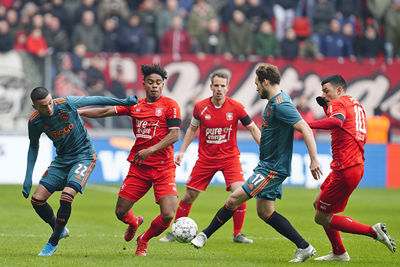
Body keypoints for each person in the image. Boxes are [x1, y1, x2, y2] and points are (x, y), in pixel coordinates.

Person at [190, 63, 323, 263]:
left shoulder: (281, 105)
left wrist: (314, 158)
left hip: (273, 168)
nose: (256, 88)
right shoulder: (274, 101)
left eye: (257, 84)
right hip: (267, 165)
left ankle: (204, 235)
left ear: (266, 81)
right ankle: (304, 247)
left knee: (234, 199)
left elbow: (304, 127)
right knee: (265, 212)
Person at [78, 64, 181, 257]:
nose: (155, 86)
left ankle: (144, 240)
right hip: (139, 167)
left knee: (168, 214)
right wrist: (80, 113)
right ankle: (134, 222)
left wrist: (150, 150)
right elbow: (104, 112)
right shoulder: (135, 105)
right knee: (120, 212)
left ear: (163, 85)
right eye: (151, 82)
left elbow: (175, 135)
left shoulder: (170, 105)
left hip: (163, 167)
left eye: (159, 83)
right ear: (143, 84)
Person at [23, 86, 138, 256]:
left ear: (52, 98)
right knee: (37, 200)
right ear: (35, 107)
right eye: (43, 106)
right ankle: (59, 230)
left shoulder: (66, 103)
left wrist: (124, 103)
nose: (49, 108)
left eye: (49, 103)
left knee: (66, 196)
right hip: (61, 161)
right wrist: (27, 176)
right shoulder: (34, 122)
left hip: (84, 156)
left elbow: (96, 99)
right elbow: (33, 145)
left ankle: (52, 242)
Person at [159, 71, 261, 243]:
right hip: (206, 159)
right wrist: (182, 150)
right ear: (211, 87)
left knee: (240, 192)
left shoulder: (236, 107)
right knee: (189, 196)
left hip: (230, 159)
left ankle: (237, 234)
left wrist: (264, 148)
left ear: (228, 88)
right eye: (216, 85)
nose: (219, 89)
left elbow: (252, 128)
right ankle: (175, 231)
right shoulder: (200, 107)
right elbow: (192, 129)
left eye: (223, 86)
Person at [307, 75, 396, 261]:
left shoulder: (338, 103)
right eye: (322, 91)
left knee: (321, 217)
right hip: (350, 165)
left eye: (327, 91)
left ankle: (374, 232)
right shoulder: (355, 104)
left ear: (339, 90)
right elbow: (344, 126)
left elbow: (337, 121)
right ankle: (338, 252)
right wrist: (325, 107)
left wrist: (306, 125)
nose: (323, 95)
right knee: (318, 204)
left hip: (345, 167)